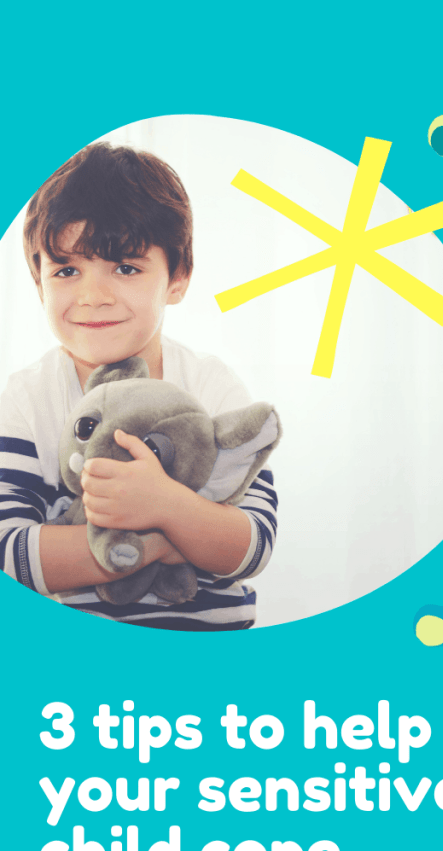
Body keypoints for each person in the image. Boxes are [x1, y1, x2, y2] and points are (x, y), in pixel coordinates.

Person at [0, 142, 277, 630]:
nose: (93, 296)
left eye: (125, 268)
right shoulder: (25, 401)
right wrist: (163, 536)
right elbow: (10, 555)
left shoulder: (209, 383)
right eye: (66, 270)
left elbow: (253, 545)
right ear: (38, 284)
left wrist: (166, 504)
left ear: (178, 277)